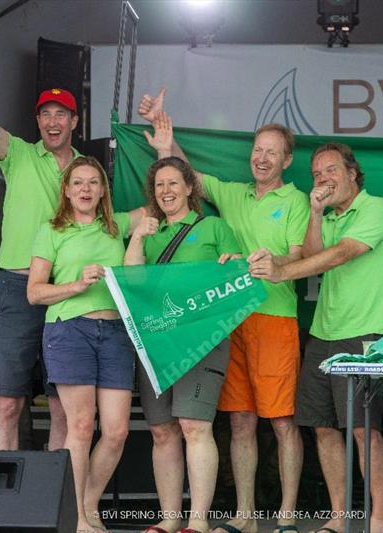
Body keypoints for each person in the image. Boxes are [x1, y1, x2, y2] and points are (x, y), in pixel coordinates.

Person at [139, 90, 308, 533]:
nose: (262, 159)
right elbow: (184, 176)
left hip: (274, 318)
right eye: (258, 150)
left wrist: (266, 265)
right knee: (240, 421)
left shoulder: (296, 201)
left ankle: (288, 517)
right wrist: (164, 141)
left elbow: (297, 257)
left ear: (287, 160)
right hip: (226, 323)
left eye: (272, 153)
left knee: (283, 421)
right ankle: (246, 517)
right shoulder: (230, 193)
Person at [249, 143, 383, 533]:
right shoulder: (330, 216)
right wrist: (314, 214)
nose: (323, 180)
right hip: (324, 333)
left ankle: (379, 520)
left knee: (363, 429)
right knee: (322, 426)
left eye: (331, 171)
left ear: (353, 172)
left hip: (366, 333)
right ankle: (339, 518)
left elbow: (340, 255)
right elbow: (310, 253)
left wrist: (283, 274)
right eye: (317, 175)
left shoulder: (377, 208)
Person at [0, 45, 74, 450]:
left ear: (74, 121)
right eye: (46, 114)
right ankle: (3, 507)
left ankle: (62, 501)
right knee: (7, 403)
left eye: (61, 114)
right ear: (37, 121)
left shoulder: (87, 172)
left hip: (66, 294)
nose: (53, 121)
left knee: (64, 407)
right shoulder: (20, 153)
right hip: (16, 287)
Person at [125, 157, 242, 533]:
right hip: (157, 342)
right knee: (162, 430)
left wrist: (232, 261)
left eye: (174, 183)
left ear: (190, 187)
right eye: (159, 185)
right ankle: (170, 520)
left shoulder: (214, 227)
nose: (166, 191)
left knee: (194, 425)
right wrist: (138, 237)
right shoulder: (149, 232)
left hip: (201, 340)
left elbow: (239, 277)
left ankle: (198, 523)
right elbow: (132, 282)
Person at [28, 156, 143, 533]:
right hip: (68, 330)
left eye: (94, 183)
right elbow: (34, 292)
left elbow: (169, 196)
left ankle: (87, 507)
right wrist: (76, 285)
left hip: (115, 333)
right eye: (78, 183)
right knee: (80, 425)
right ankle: (78, 518)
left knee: (116, 430)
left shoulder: (117, 225)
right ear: (66, 189)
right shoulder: (51, 230)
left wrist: (164, 148)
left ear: (103, 190)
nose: (86, 189)